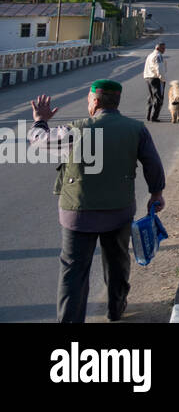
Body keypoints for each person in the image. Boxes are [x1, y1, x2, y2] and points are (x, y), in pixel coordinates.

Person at [28, 80, 166, 323]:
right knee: (117, 263)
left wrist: (40, 119)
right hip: (119, 210)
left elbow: (39, 140)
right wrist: (156, 194)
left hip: (78, 214)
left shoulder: (76, 129)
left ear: (94, 102)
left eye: (88, 100)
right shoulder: (135, 129)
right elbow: (153, 163)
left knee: (73, 270)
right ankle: (115, 309)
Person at [142, 42, 167, 122]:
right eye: (162, 48)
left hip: (148, 78)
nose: (164, 50)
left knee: (151, 97)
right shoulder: (158, 56)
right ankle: (154, 117)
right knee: (158, 97)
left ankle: (148, 115)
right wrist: (162, 79)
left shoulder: (150, 55)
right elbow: (159, 68)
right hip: (156, 79)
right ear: (158, 48)